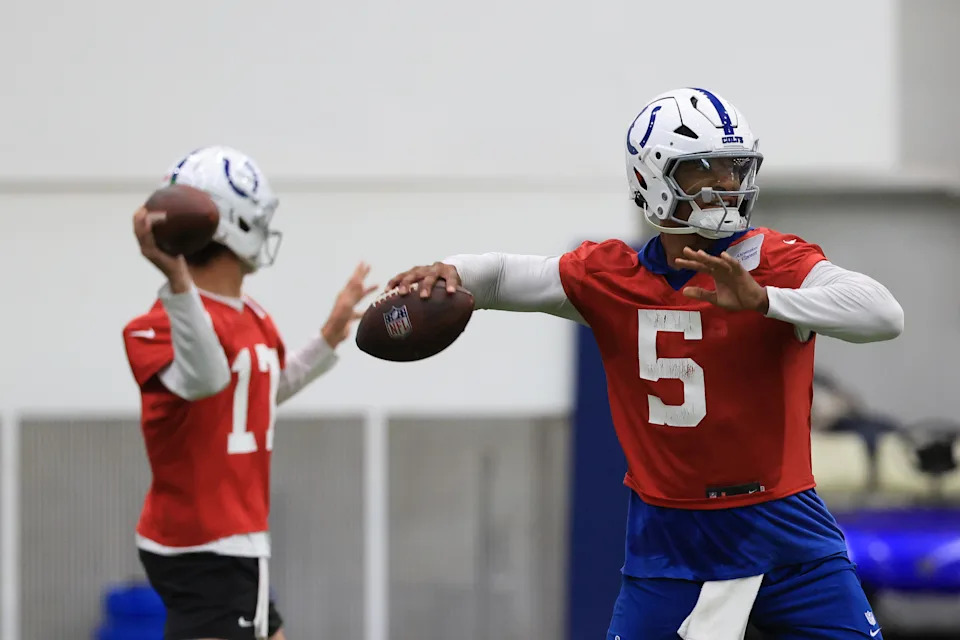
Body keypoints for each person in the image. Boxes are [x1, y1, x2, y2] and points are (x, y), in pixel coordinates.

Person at [387, 88, 904, 639]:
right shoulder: (610, 276)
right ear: (651, 181)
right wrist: (450, 271)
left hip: (785, 528)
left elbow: (884, 314)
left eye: (734, 167)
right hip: (670, 539)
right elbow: (503, 275)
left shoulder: (774, 262)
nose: (727, 183)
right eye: (704, 169)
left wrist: (765, 300)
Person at [123, 146, 375, 640]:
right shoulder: (156, 327)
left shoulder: (252, 315)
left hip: (239, 543)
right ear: (231, 222)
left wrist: (326, 338)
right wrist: (177, 281)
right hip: (202, 548)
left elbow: (261, 391)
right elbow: (208, 378)